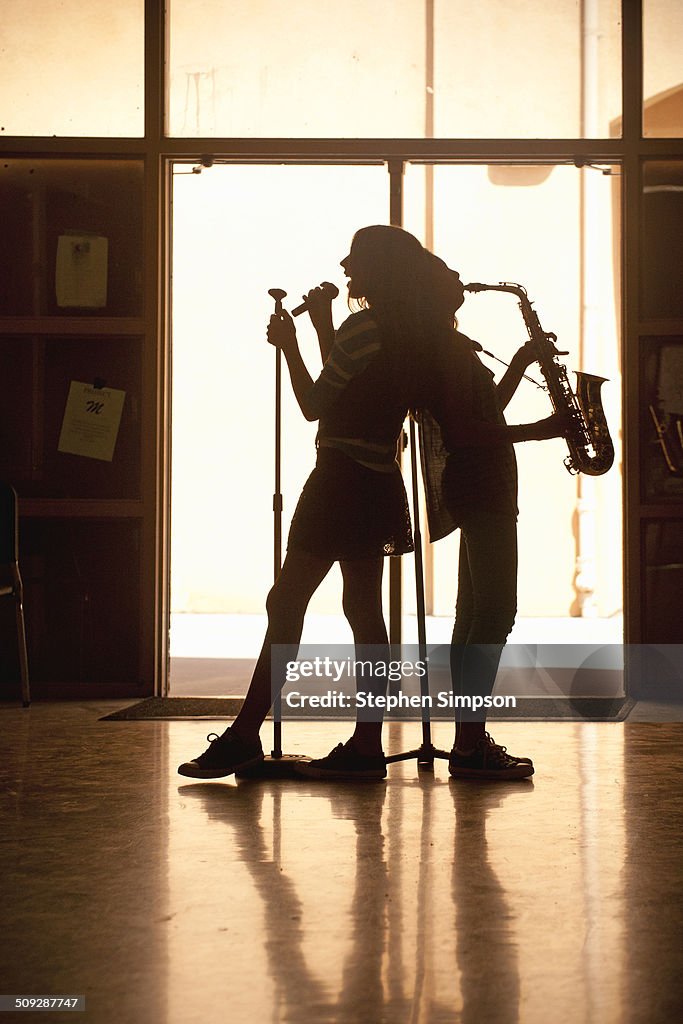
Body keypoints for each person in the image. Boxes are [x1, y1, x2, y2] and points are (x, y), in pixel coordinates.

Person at [178, 224, 436, 782]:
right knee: (365, 612)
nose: (345, 268)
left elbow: (317, 403)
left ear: (377, 269)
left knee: (286, 601)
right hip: (377, 481)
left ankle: (244, 734)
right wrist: (325, 328)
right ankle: (368, 744)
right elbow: (353, 386)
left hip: (337, 480)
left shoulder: (363, 327)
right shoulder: (405, 329)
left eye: (356, 260)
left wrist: (291, 344)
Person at [418, 254, 569, 780]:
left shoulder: (450, 346)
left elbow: (483, 413)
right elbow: (465, 431)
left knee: (473, 614)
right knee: (495, 614)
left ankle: (468, 740)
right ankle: (470, 741)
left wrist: (523, 363)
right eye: (450, 277)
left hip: (481, 486)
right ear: (433, 292)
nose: (462, 281)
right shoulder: (446, 350)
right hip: (483, 487)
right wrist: (543, 429)